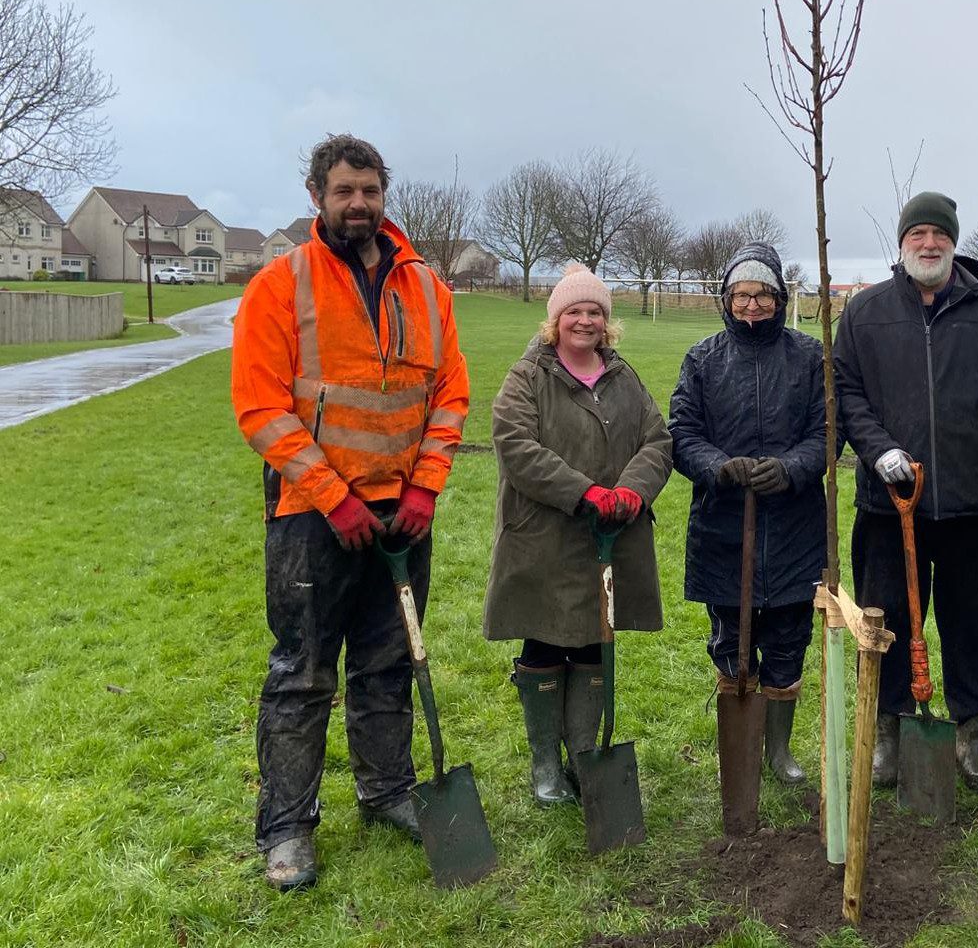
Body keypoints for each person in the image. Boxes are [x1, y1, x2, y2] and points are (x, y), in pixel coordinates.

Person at [232, 134, 469, 892]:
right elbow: (260, 408)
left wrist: (426, 488)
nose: (358, 203)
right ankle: (287, 829)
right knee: (301, 675)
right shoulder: (281, 285)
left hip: (403, 514)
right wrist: (334, 498)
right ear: (317, 196)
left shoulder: (426, 288)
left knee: (388, 662)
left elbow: (449, 395)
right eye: (344, 191)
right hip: (311, 516)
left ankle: (387, 790)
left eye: (369, 191)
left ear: (384, 195)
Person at [834, 191, 978, 792]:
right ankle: (889, 734)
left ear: (953, 242)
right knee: (887, 618)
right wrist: (877, 450)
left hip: (974, 507)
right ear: (901, 244)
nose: (929, 244)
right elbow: (846, 391)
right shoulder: (866, 312)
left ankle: (973, 735)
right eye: (917, 234)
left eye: (939, 235)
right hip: (888, 505)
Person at [483, 264, 673, 804]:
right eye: (574, 312)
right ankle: (546, 765)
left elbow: (657, 442)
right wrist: (585, 493)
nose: (585, 321)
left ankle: (585, 755)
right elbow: (516, 446)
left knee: (595, 638)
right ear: (555, 320)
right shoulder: (528, 376)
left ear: (606, 323)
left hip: (610, 535)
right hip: (544, 537)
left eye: (594, 312)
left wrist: (632, 491)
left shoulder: (624, 377)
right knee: (544, 636)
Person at [668, 242, 826, 785]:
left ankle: (778, 750)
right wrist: (719, 466)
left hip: (794, 527)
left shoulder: (809, 358)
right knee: (731, 639)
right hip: (724, 526)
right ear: (726, 300)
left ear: (780, 299)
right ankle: (741, 740)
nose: (752, 304)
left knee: (788, 637)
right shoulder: (703, 359)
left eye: (762, 294)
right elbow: (682, 433)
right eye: (741, 295)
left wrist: (790, 469)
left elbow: (827, 433)